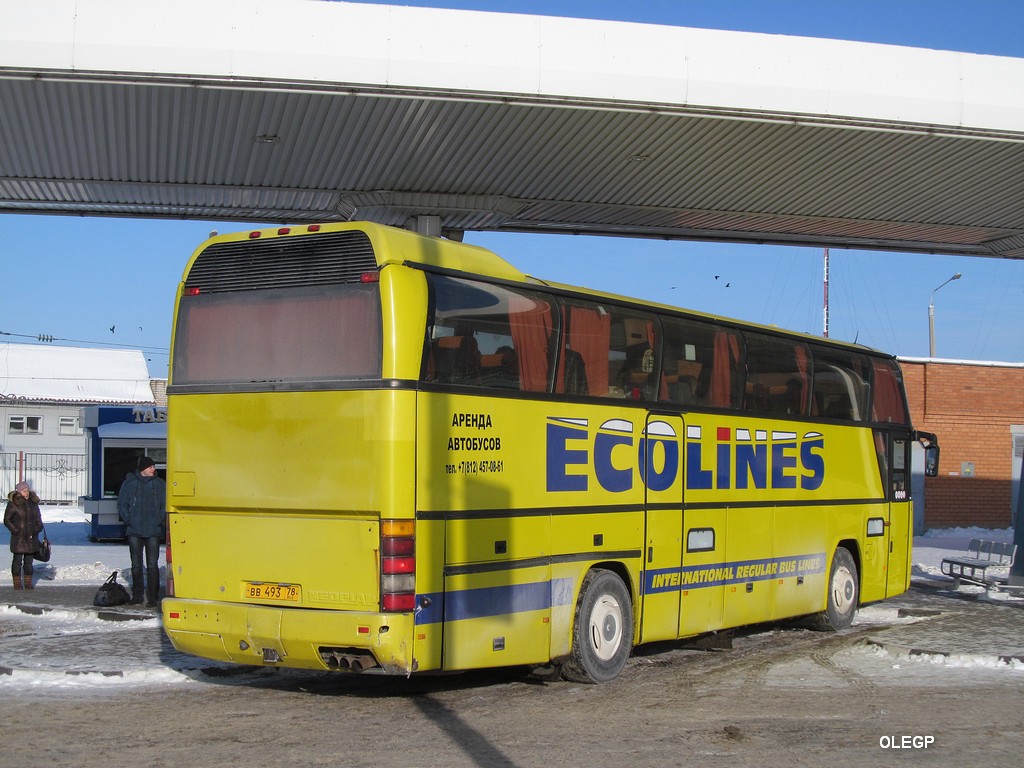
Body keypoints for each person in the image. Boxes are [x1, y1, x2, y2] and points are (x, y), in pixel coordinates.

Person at [117, 456, 166, 606]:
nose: (154, 469)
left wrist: (159, 519)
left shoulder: (159, 484)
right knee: (136, 565)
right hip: (134, 530)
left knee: (152, 565)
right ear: (143, 468)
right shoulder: (129, 484)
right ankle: (137, 596)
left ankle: (153, 597)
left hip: (153, 530)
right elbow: (122, 504)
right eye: (151, 466)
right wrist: (129, 519)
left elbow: (165, 505)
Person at [4, 481, 43, 590]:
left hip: (31, 538)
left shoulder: (33, 503)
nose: (27, 493)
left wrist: (36, 529)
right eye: (24, 491)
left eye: (27, 491)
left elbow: (38, 520)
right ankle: (17, 583)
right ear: (19, 492)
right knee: (17, 561)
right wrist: (16, 530)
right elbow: (7, 520)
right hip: (19, 539)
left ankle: (28, 583)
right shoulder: (13, 504)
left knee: (29, 562)